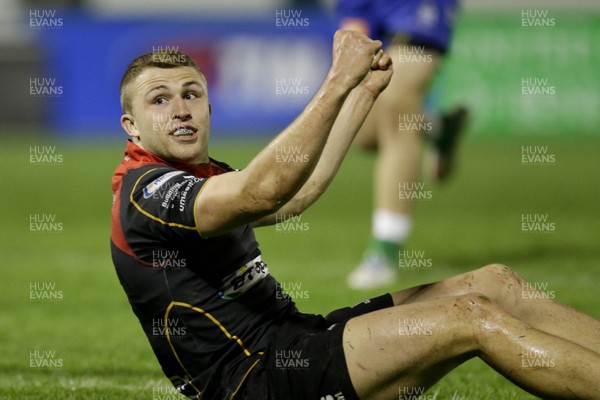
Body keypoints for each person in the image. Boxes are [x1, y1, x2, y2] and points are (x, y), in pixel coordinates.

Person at [111, 31, 600, 400]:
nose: (180, 110)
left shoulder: (202, 175)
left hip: (295, 341)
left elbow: (293, 197)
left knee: (496, 282)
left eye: (191, 94)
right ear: (131, 127)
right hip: (256, 379)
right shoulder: (146, 191)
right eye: (160, 100)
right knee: (471, 317)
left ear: (209, 105)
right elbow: (262, 191)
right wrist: (336, 80)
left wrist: (362, 93)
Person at [337, 0, 469, 289]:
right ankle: (439, 127)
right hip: (370, 11)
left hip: (418, 9)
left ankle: (385, 249)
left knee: (396, 105)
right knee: (365, 132)